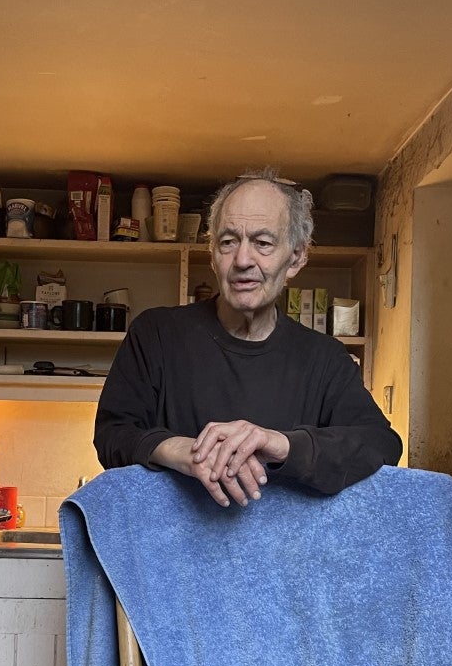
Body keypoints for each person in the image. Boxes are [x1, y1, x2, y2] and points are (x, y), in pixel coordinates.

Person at [94, 169, 402, 506]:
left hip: (290, 557)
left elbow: (381, 444)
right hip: (171, 556)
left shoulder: (326, 358)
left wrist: (278, 443)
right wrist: (182, 450)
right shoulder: (155, 334)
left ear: (296, 258)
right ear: (213, 254)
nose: (242, 260)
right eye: (228, 242)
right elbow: (112, 435)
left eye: (263, 243)